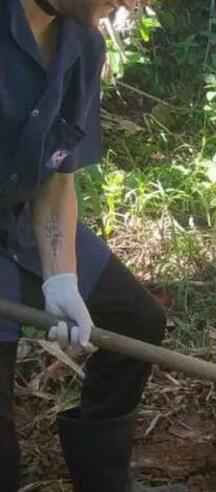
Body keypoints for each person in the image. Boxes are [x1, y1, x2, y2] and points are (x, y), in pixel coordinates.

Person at [0, 1, 188, 490]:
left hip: (23, 218)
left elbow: (59, 180)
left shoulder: (82, 46)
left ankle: (102, 480)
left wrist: (61, 276)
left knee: (138, 321)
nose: (127, 2)